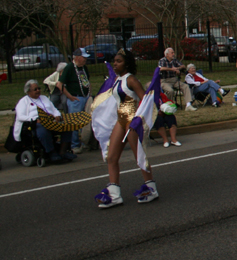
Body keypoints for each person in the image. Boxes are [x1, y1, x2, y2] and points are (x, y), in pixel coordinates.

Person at [94, 50, 158, 208]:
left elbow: (145, 99)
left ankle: (151, 188)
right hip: (120, 121)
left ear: (127, 63)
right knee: (111, 157)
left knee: (139, 156)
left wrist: (139, 119)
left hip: (131, 122)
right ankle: (115, 195)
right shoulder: (117, 79)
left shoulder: (131, 80)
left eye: (119, 61)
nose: (115, 63)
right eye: (114, 61)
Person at [13, 79, 70, 162]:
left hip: (50, 121)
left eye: (39, 88)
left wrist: (57, 115)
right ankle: (51, 152)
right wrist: (34, 120)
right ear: (28, 91)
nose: (38, 90)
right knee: (42, 128)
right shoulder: (23, 101)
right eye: (35, 89)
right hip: (35, 123)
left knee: (67, 127)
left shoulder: (44, 98)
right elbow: (20, 116)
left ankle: (63, 151)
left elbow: (53, 109)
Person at [56, 48, 91, 155]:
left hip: (85, 97)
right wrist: (69, 96)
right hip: (75, 99)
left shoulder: (84, 68)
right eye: (83, 57)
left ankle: (86, 142)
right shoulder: (69, 68)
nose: (85, 59)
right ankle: (74, 145)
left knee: (86, 121)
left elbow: (87, 81)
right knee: (74, 122)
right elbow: (59, 84)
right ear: (77, 58)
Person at [158, 48, 196, 112]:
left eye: (173, 53)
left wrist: (177, 68)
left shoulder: (175, 60)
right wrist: (172, 69)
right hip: (165, 81)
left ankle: (188, 105)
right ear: (167, 54)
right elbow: (161, 68)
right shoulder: (162, 60)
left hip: (175, 80)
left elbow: (183, 66)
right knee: (170, 90)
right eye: (172, 53)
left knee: (186, 86)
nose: (173, 54)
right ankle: (168, 105)